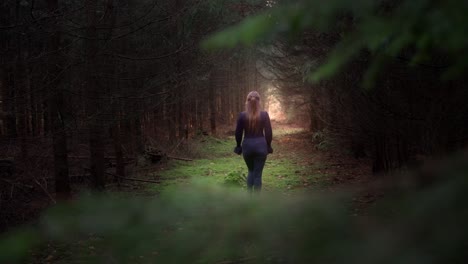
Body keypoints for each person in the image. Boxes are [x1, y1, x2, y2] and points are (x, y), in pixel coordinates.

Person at [234, 91, 273, 192]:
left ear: (247, 102)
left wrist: (238, 146)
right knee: (257, 174)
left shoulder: (242, 115)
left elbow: (238, 133)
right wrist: (268, 146)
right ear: (259, 101)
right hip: (261, 146)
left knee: (251, 171)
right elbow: (268, 132)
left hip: (247, 147)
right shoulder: (264, 115)